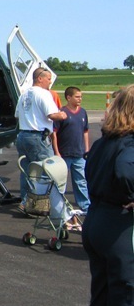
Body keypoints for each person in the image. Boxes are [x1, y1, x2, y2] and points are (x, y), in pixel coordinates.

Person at [81, 84, 134, 306]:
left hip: (97, 222)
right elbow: (128, 171)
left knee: (101, 298)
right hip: (120, 229)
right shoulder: (129, 144)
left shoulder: (105, 141)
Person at [15, 67, 67, 212]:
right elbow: (52, 115)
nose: (50, 82)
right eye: (49, 78)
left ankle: (26, 201)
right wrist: (62, 114)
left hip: (23, 135)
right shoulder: (44, 94)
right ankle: (37, 204)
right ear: (40, 78)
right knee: (46, 170)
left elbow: (17, 115)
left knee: (26, 171)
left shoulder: (24, 94)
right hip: (38, 137)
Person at [53, 86, 90, 229]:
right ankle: (60, 210)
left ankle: (85, 207)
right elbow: (54, 133)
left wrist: (86, 149)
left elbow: (85, 131)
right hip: (64, 154)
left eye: (81, 97)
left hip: (79, 154)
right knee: (60, 184)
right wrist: (56, 151)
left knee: (81, 182)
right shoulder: (62, 113)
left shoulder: (83, 113)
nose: (80, 99)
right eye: (77, 97)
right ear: (69, 97)